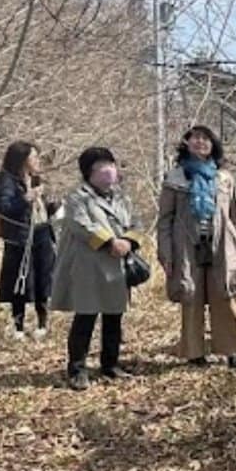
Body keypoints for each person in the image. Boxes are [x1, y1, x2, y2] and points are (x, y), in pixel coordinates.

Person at [50, 146, 149, 390]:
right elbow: (80, 225)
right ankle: (77, 369)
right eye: (100, 167)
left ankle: (110, 364)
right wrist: (110, 242)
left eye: (110, 165)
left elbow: (136, 222)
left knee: (114, 316)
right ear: (88, 172)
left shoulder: (121, 197)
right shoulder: (77, 198)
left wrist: (129, 240)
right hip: (88, 266)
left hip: (117, 266)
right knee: (86, 316)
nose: (108, 171)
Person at [157, 125, 236, 370]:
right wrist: (165, 252)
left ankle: (233, 351)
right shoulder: (175, 178)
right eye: (195, 138)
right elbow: (165, 218)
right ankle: (194, 352)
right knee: (191, 296)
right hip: (187, 245)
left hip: (222, 245)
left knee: (226, 295)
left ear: (213, 145)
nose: (200, 142)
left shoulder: (224, 178)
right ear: (187, 143)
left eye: (205, 138)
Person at [0, 141, 57, 339]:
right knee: (19, 281)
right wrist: (26, 198)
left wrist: (54, 206)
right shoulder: (7, 181)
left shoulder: (35, 179)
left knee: (43, 279)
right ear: (22, 160)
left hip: (42, 231)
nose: (37, 161)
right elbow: (4, 208)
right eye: (33, 157)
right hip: (19, 237)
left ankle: (42, 323)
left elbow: (41, 207)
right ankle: (18, 326)